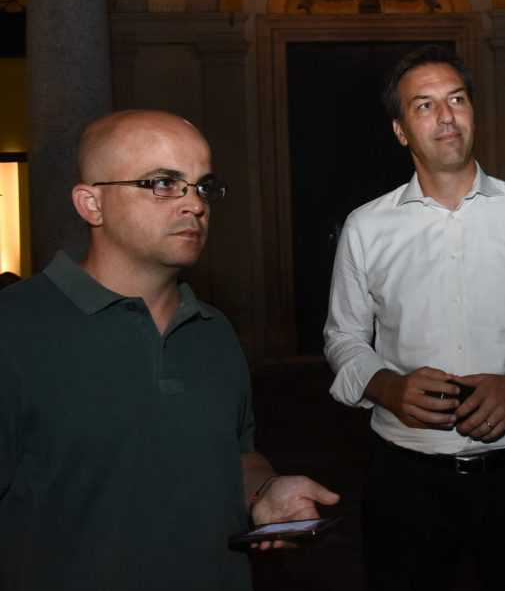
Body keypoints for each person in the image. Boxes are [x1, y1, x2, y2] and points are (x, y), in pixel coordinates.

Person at [0, 110, 339, 591]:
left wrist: (265, 491)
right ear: (91, 204)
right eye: (163, 183)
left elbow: (235, 455)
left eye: (203, 187)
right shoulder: (14, 328)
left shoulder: (213, 330)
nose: (194, 204)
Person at [324, 45, 505, 590]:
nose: (446, 116)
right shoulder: (366, 227)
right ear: (401, 131)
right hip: (407, 477)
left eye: (457, 100)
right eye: (424, 105)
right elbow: (344, 337)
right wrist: (387, 387)